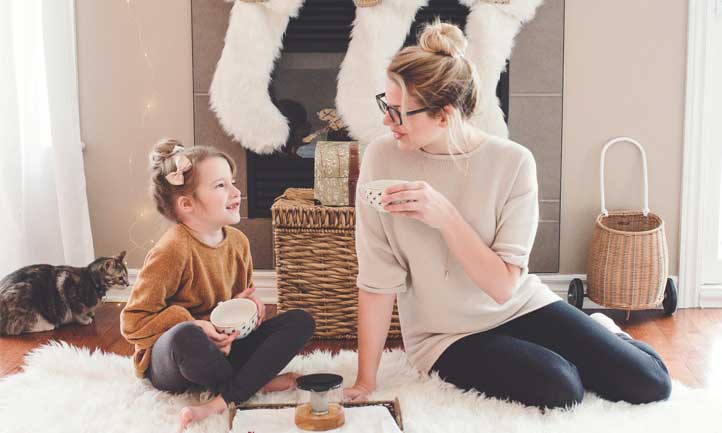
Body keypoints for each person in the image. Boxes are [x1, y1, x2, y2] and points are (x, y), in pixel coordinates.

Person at [344, 20, 671, 409]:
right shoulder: (382, 159)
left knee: (650, 383)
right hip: (445, 336)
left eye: (399, 112)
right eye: (387, 105)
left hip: (518, 305)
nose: (386, 121)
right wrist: (365, 381)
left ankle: (603, 333)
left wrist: (445, 216)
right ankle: (566, 354)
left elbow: (502, 288)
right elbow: (377, 281)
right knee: (562, 386)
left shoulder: (512, 164)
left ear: (445, 114)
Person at [121, 139, 315, 430]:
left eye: (233, 182)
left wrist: (250, 305)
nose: (237, 193)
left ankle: (225, 396)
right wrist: (197, 324)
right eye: (221, 186)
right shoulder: (171, 251)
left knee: (301, 321)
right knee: (187, 336)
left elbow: (239, 297)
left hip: (225, 349)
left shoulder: (238, 242)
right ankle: (251, 382)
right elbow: (133, 323)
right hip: (177, 359)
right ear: (186, 204)